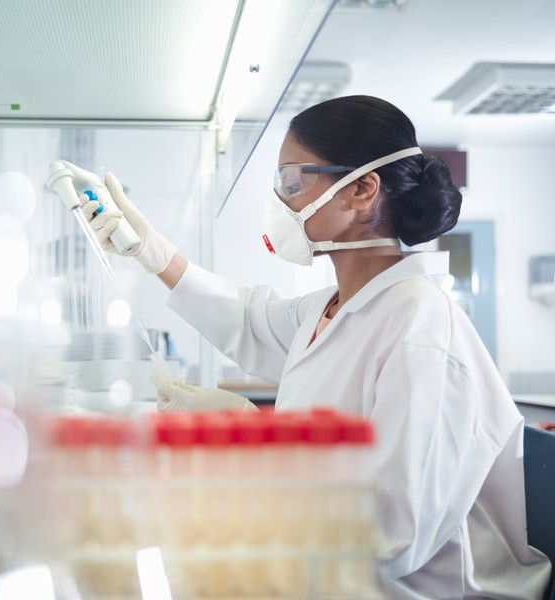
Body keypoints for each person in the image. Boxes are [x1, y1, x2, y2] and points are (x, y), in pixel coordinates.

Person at [75, 95, 552, 598]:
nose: (282, 202)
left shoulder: (421, 331)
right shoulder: (332, 308)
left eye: (293, 183)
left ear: (362, 190)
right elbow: (247, 320)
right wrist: (151, 250)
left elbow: (394, 534)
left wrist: (253, 437)